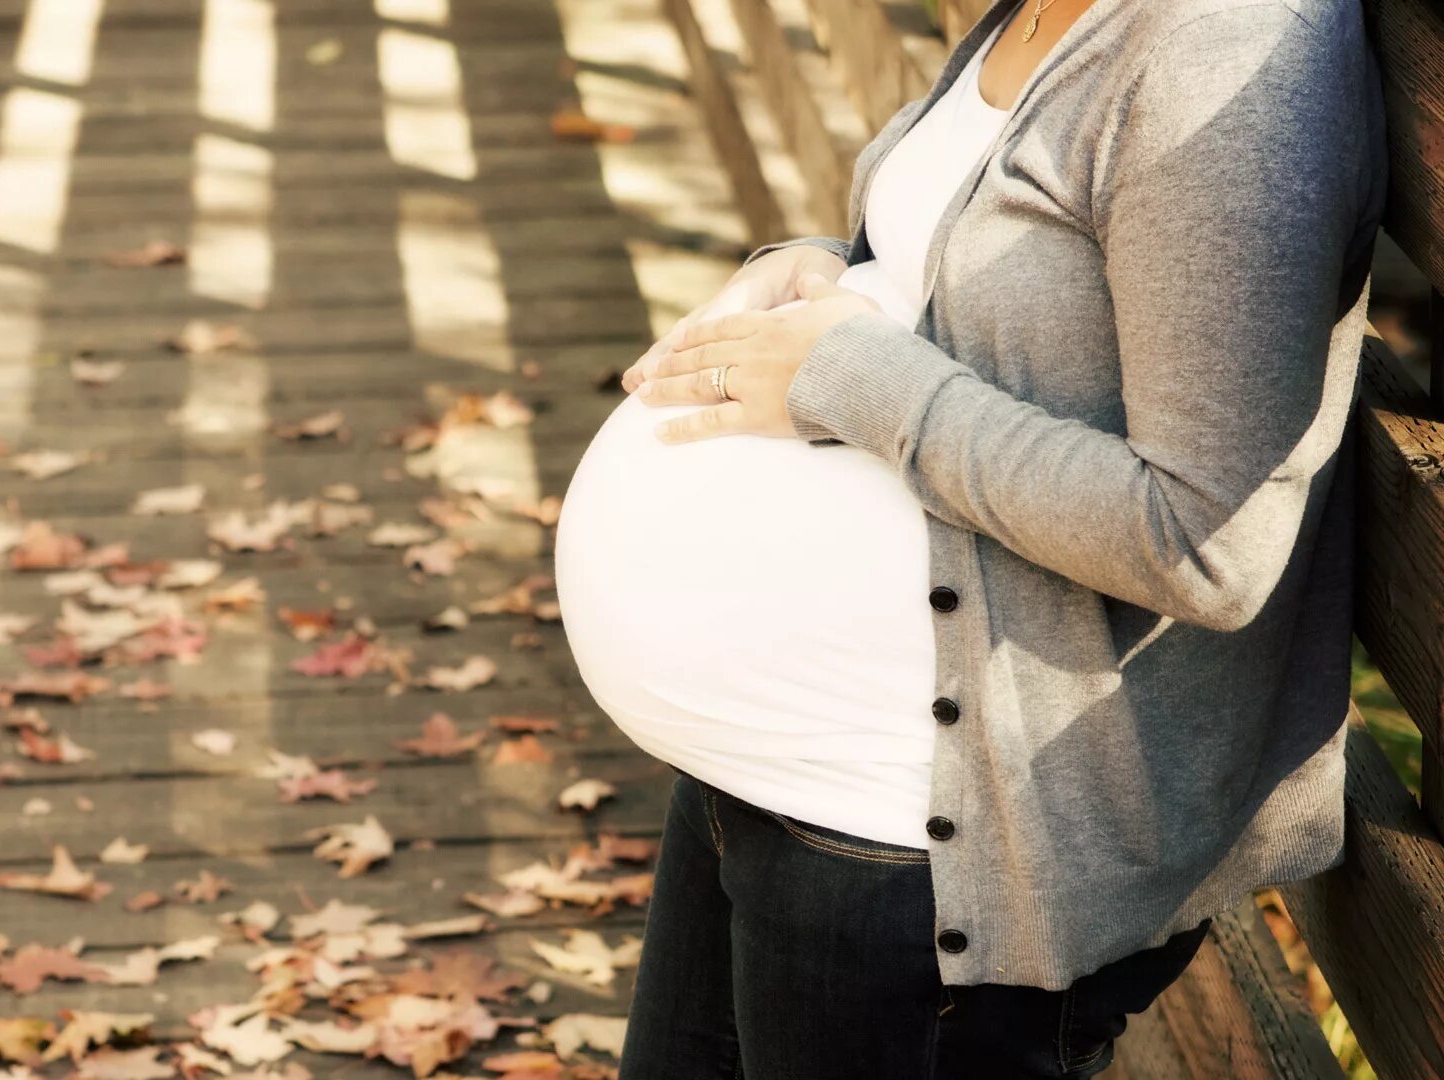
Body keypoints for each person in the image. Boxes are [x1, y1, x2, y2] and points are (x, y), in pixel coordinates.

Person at [549, 0, 1389, 1073]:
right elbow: (1020, 293)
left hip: (927, 841)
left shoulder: (1230, 62)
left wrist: (853, 374)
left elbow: (1204, 542)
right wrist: (823, 273)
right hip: (778, 771)